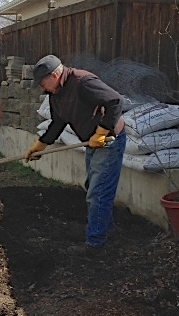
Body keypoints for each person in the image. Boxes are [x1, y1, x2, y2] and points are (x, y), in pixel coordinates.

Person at [25, 54, 126, 256]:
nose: (42, 88)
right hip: (92, 143)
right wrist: (41, 144)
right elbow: (58, 122)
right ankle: (107, 230)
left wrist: (102, 131)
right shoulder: (56, 94)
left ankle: (95, 244)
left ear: (54, 75)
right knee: (95, 187)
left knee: (98, 192)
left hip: (108, 142)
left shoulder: (82, 82)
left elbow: (115, 101)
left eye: (43, 83)